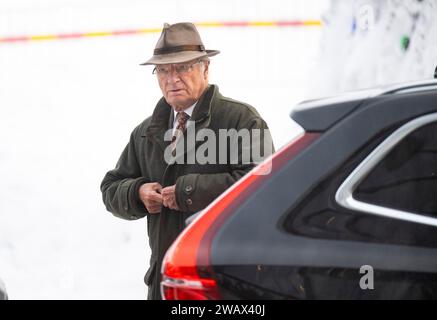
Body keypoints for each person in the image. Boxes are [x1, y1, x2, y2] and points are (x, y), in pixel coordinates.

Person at [100, 22, 274, 300]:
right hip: (165, 283)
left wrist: (187, 192)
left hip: (223, 284)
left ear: (205, 68)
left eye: (183, 67)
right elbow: (110, 188)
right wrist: (137, 193)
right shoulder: (145, 132)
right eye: (164, 70)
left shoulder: (242, 120)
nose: (172, 79)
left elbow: (261, 188)